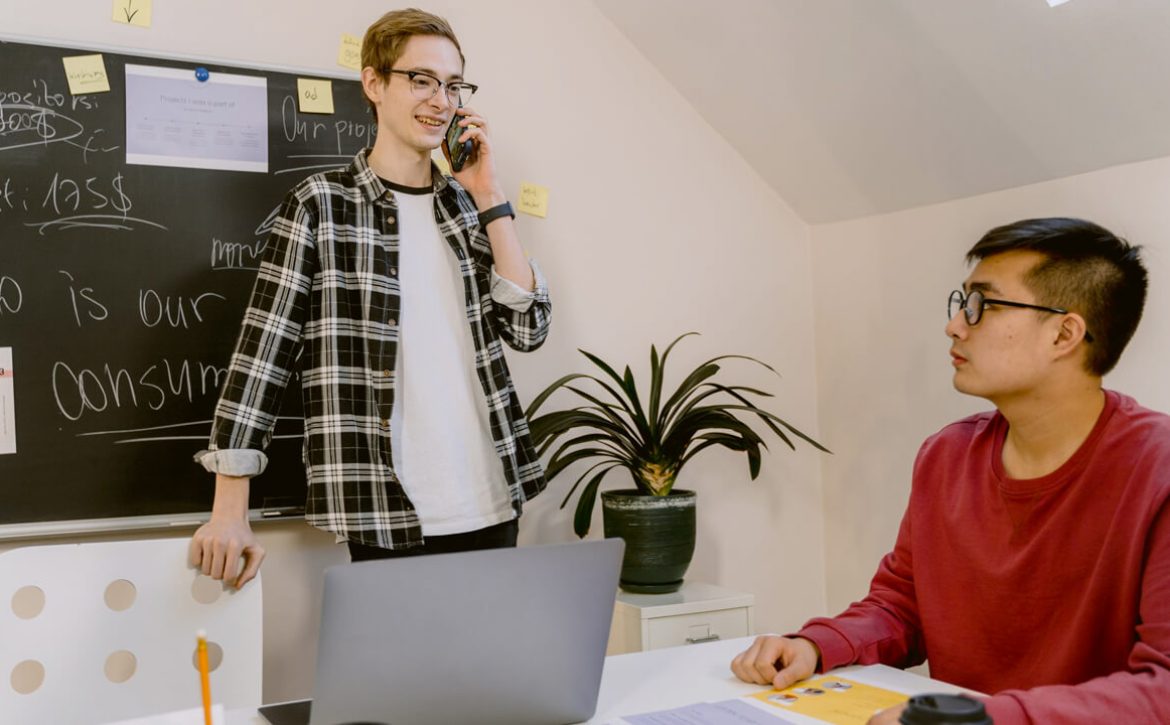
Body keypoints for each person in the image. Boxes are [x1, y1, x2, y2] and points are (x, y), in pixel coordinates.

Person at [732, 218, 1170, 723]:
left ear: (1063, 334)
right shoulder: (947, 455)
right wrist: (816, 644)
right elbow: (903, 606)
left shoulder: (1156, 469)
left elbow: (1162, 689)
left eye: (983, 305)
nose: (956, 325)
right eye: (962, 303)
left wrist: (982, 719)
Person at [188, 8, 551, 586]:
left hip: (492, 496)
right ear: (374, 83)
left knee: (489, 650)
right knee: (397, 651)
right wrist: (229, 511)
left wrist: (490, 195)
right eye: (422, 80)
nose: (441, 101)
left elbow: (529, 328)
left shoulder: (466, 208)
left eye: (453, 85)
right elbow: (262, 355)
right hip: (382, 506)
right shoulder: (320, 205)